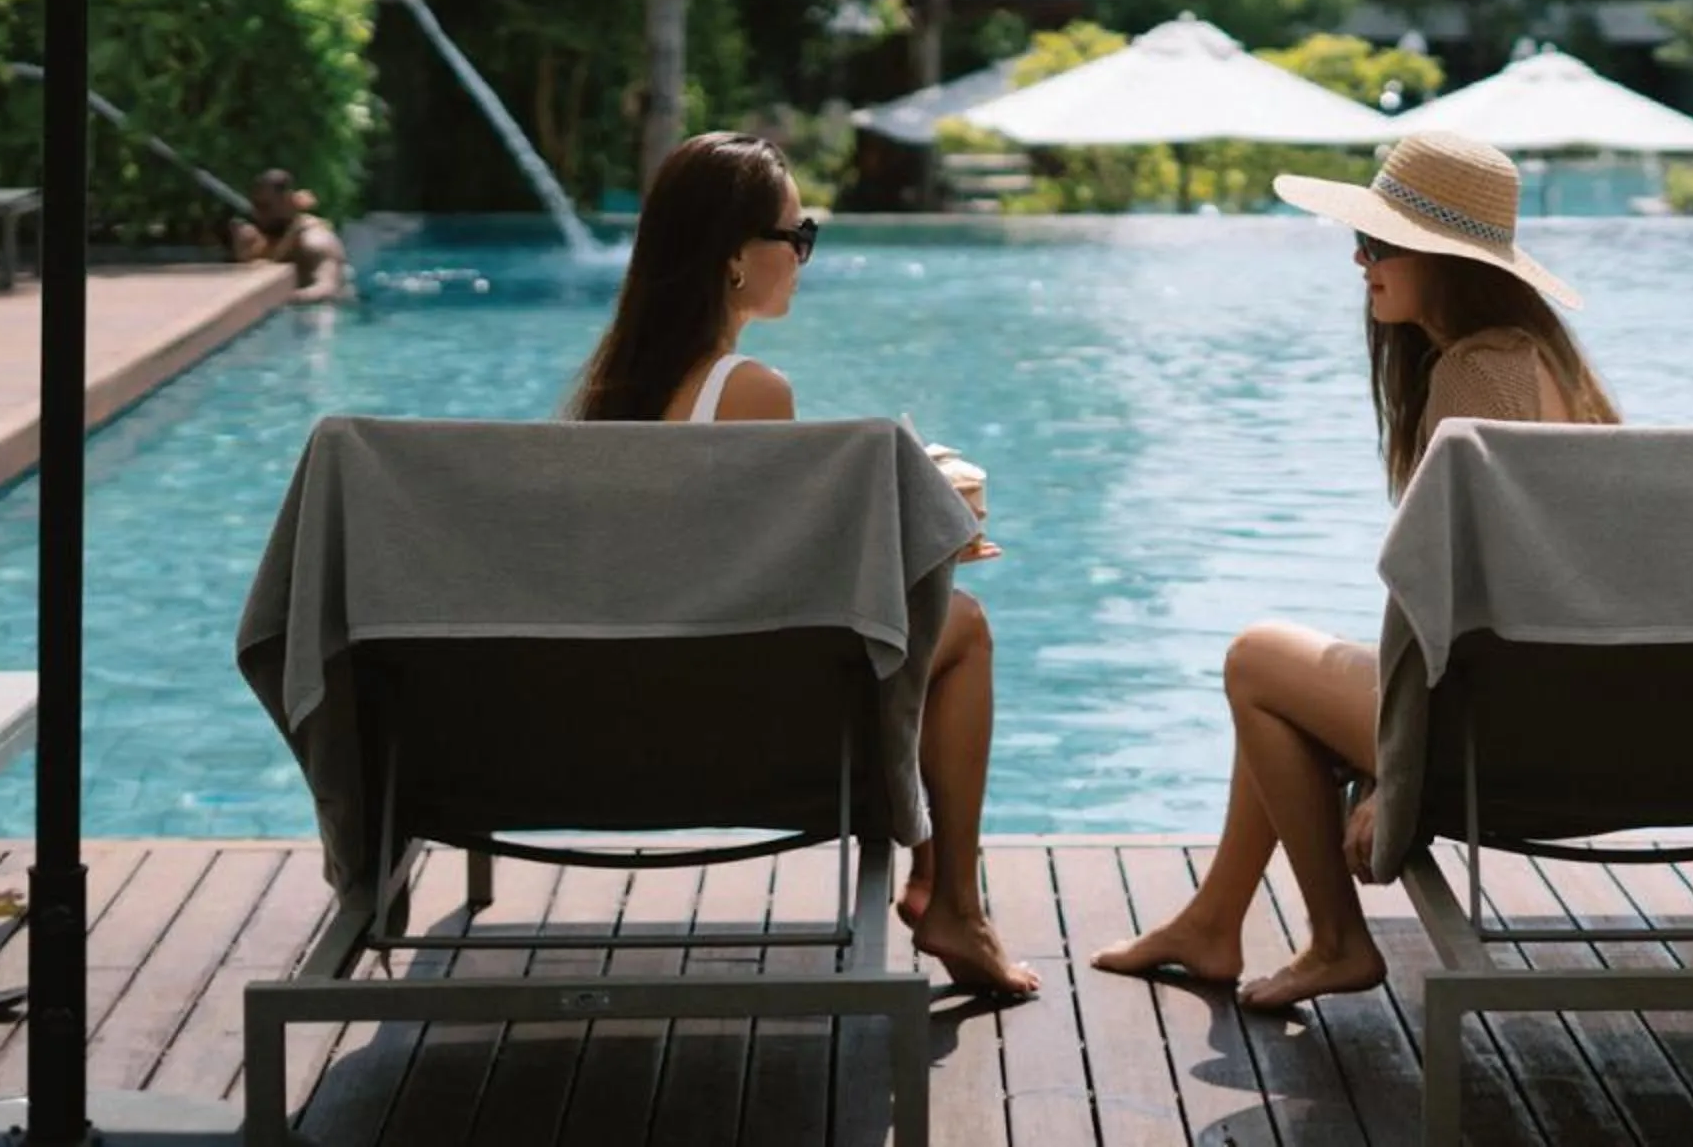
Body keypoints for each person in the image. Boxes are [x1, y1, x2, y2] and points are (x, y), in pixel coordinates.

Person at [1093, 131, 1618, 1011]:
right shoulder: (1543, 362)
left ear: (1443, 260)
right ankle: (1214, 921)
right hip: (1574, 707)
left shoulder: (1479, 375)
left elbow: (1474, 605)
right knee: (1294, 681)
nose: (1358, 258)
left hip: (1509, 731)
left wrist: (1394, 768)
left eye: (1380, 243)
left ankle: (1336, 941)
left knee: (1257, 659)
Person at [566, 130, 1037, 998]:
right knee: (962, 626)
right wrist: (930, 546)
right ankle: (955, 903)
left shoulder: (611, 393)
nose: (804, 257)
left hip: (600, 719)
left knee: (937, 618)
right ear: (735, 259)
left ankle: (942, 887)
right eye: (797, 235)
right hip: (731, 726)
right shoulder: (746, 390)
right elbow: (790, 591)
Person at [229, 169, 350, 304]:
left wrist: (268, 302)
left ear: (288, 201)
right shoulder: (266, 238)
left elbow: (326, 289)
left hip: (322, 313)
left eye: (266, 207)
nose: (258, 214)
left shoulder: (314, 241)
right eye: (256, 206)